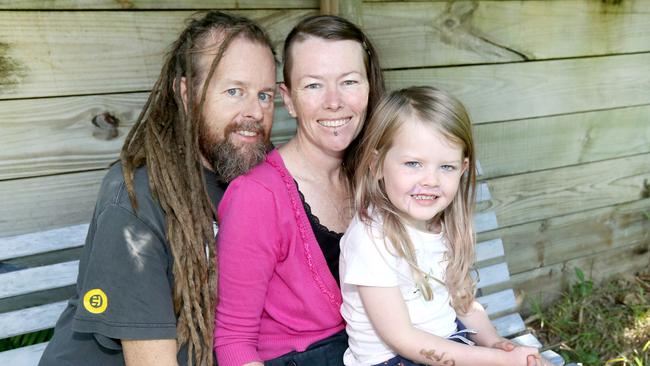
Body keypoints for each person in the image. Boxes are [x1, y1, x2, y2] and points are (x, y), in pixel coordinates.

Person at [39, 11, 277, 366]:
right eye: (234, 91)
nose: (254, 111)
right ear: (186, 93)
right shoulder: (135, 200)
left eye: (265, 95)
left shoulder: (265, 176)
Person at [214, 15, 384, 366]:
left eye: (349, 81)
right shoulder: (257, 196)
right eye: (313, 86)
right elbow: (234, 342)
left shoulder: (376, 178)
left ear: (369, 88)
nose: (334, 102)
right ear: (288, 100)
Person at [339, 86, 548, 366]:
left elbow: (463, 302)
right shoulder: (371, 239)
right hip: (395, 359)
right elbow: (401, 338)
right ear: (377, 165)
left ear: (462, 169)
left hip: (450, 343)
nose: (430, 180)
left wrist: (494, 343)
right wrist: (495, 360)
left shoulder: (442, 226)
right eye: (413, 163)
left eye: (446, 167)